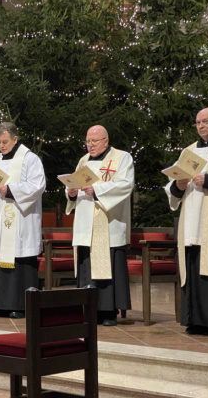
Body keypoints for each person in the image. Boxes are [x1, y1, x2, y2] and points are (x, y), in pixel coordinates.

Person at [165, 107, 208, 338]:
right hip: (193, 219)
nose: (201, 126)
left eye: (206, 121)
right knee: (194, 266)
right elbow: (172, 183)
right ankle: (196, 320)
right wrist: (178, 186)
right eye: (198, 122)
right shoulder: (189, 151)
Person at [66, 125, 134, 326]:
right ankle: (89, 310)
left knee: (108, 266)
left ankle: (108, 312)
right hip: (86, 223)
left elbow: (125, 185)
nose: (90, 145)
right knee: (87, 266)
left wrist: (96, 190)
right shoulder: (83, 161)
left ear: (106, 140)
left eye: (94, 141)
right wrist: (71, 193)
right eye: (87, 141)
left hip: (109, 222)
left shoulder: (122, 158)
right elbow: (75, 188)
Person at [0, 122, 46, 319]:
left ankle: (19, 305)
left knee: (18, 260)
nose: (2, 146)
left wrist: (11, 190)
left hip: (20, 222)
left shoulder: (30, 160)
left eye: (5, 141)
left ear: (15, 139)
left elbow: (37, 185)